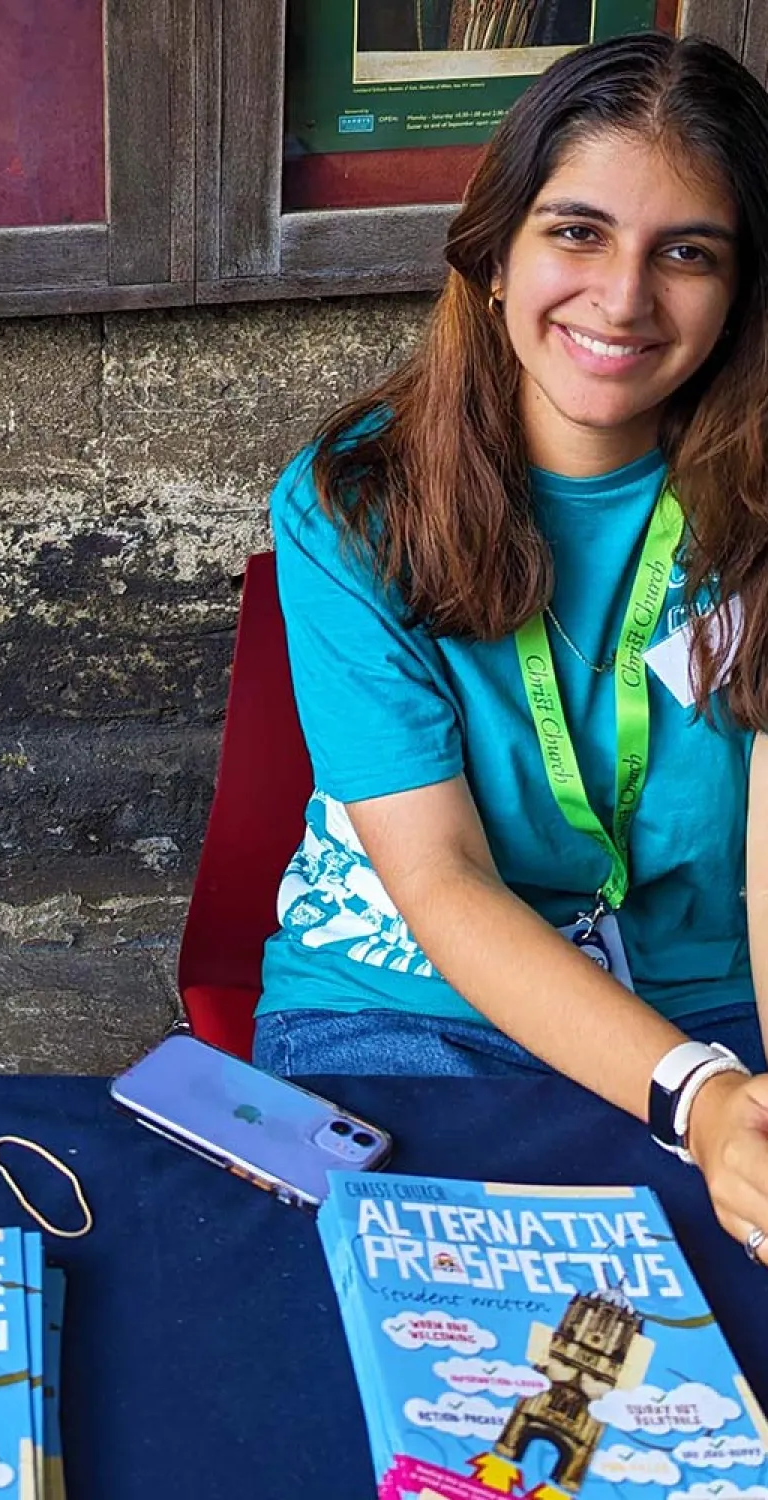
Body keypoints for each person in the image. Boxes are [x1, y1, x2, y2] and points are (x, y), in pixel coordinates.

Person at [256, 31, 768, 1268]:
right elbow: (440, 881)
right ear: (494, 255)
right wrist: (697, 1099)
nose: (624, 299)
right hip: (403, 1012)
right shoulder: (354, 500)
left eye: (686, 252)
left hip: (708, 998)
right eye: (578, 232)